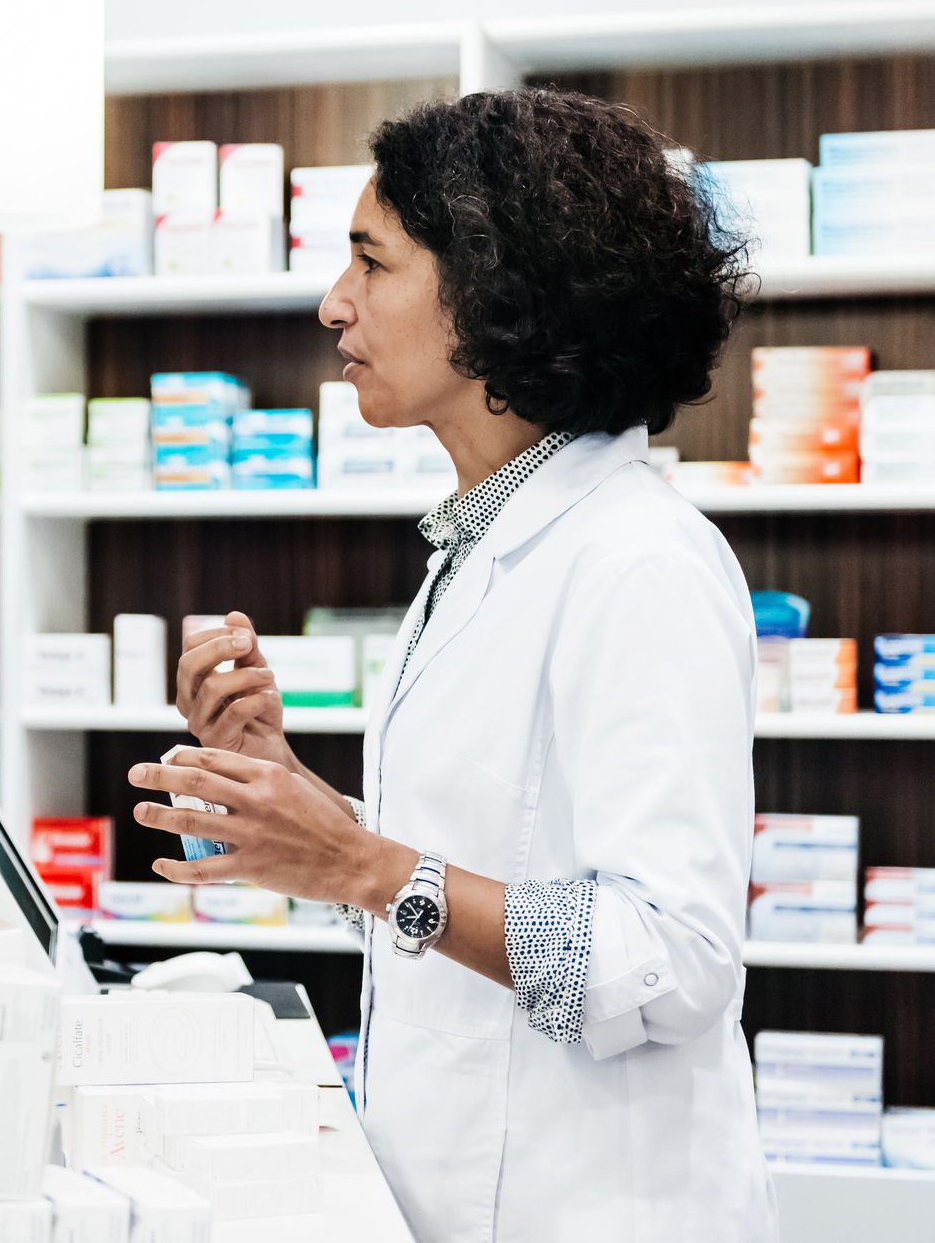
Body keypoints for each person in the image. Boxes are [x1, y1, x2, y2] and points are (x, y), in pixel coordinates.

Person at [130, 90, 776, 1239]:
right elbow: (476, 866)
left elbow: (672, 963)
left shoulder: (638, 563)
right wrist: (290, 796)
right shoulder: (481, 544)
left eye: (371, 264)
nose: (334, 303)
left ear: (493, 292)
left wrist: (371, 866)